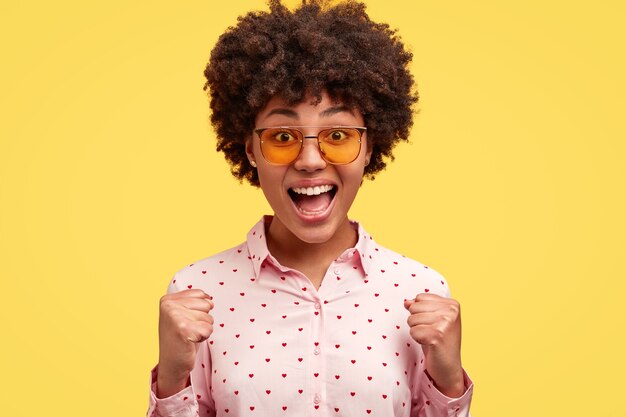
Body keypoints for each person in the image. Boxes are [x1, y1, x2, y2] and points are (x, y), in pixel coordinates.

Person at [147, 1, 474, 416]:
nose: (310, 160)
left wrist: (448, 382)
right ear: (250, 150)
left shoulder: (418, 289)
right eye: (282, 136)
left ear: (370, 147)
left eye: (337, 134)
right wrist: (173, 379)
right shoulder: (198, 291)